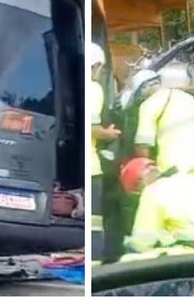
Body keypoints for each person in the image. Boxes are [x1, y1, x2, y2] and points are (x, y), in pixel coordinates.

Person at [118, 157, 194, 260]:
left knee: (128, 260)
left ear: (139, 183)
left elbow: (142, 242)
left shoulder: (152, 191)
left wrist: (129, 244)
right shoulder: (189, 178)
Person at [125, 69, 194, 179]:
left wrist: (146, 173)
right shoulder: (187, 97)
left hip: (170, 166)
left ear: (143, 88)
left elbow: (143, 146)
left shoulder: (148, 106)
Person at [90, 43, 120, 266]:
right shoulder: (93, 89)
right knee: (95, 222)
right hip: (92, 168)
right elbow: (92, 127)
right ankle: (96, 267)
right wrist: (110, 134)